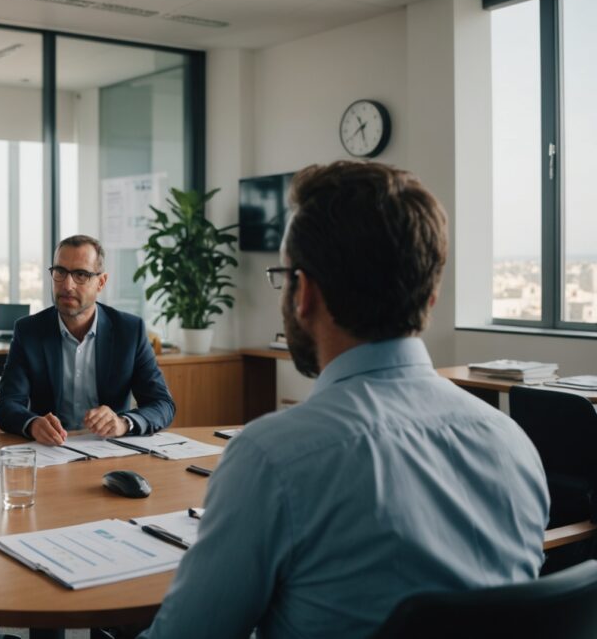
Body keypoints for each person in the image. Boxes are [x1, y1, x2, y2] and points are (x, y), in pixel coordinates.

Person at [141, 161, 549, 638]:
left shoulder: (273, 456)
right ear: (431, 297)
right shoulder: (513, 443)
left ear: (304, 293)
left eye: (283, 276)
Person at [0, 235, 175, 445]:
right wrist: (33, 424)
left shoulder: (128, 331)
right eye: (60, 272)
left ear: (101, 282)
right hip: (51, 451)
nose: (67, 285)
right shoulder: (29, 331)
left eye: (80, 274)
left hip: (110, 450)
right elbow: (6, 406)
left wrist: (123, 423)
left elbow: (162, 404)